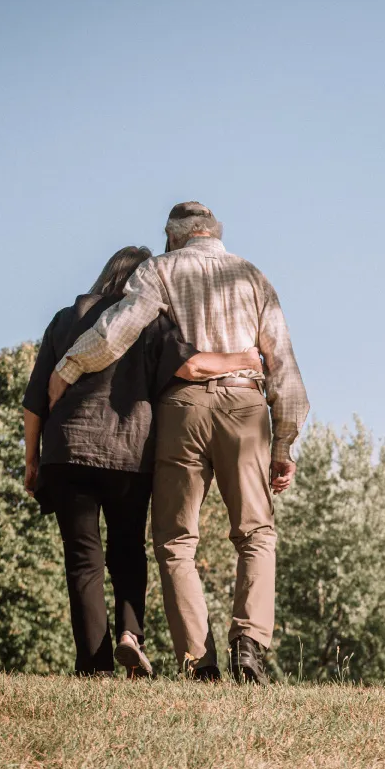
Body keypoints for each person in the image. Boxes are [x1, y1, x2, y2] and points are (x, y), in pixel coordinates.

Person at [47, 202, 309, 684]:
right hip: (245, 406)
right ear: (214, 233)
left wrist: (68, 366)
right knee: (255, 532)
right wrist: (283, 445)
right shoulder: (253, 277)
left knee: (175, 540)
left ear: (175, 236)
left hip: (181, 409)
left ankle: (199, 662)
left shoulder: (158, 269)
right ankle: (249, 644)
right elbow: (285, 368)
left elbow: (117, 332)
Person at [22, 245, 260, 677]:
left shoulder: (64, 319)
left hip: (66, 451)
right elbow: (191, 367)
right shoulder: (151, 320)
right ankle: (132, 635)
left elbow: (35, 400)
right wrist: (244, 359)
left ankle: (93, 666)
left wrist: (31, 460)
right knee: (128, 549)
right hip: (129, 454)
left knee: (83, 560)